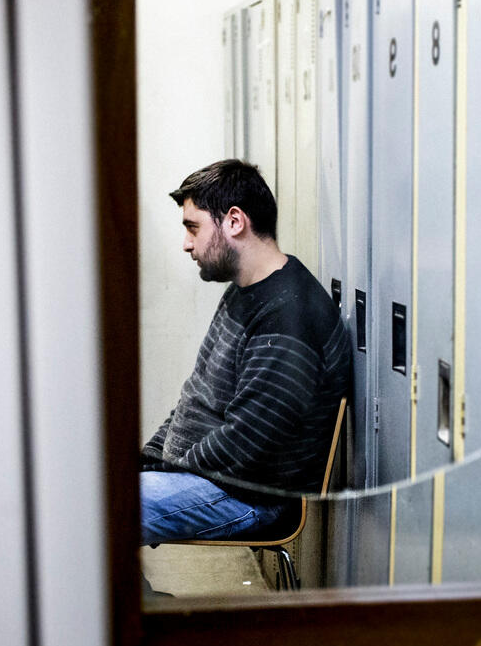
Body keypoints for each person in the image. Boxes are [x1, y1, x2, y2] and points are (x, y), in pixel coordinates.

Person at [141, 159, 352, 546]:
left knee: (103, 510)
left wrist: (166, 467)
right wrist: (149, 458)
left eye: (193, 227)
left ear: (235, 222)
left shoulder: (289, 317)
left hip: (249, 495)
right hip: (211, 478)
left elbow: (247, 444)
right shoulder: (244, 292)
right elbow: (196, 397)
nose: (186, 243)